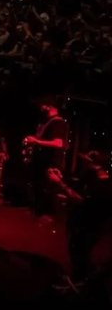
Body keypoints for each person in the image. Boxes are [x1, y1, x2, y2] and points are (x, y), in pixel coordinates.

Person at [48, 151, 112, 290]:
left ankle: (85, 288)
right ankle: (81, 284)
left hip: (91, 225)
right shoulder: (92, 176)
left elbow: (80, 200)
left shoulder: (103, 185)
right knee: (76, 252)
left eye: (88, 161)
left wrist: (59, 183)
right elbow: (78, 190)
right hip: (83, 222)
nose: (84, 163)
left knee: (80, 254)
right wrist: (62, 178)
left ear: (97, 166)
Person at [24, 100, 69, 219]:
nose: (41, 107)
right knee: (38, 185)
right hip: (43, 160)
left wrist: (36, 141)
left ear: (50, 106)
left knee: (49, 188)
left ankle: (48, 214)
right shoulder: (47, 122)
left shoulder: (58, 123)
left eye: (43, 105)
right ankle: (38, 211)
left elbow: (58, 143)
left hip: (52, 161)